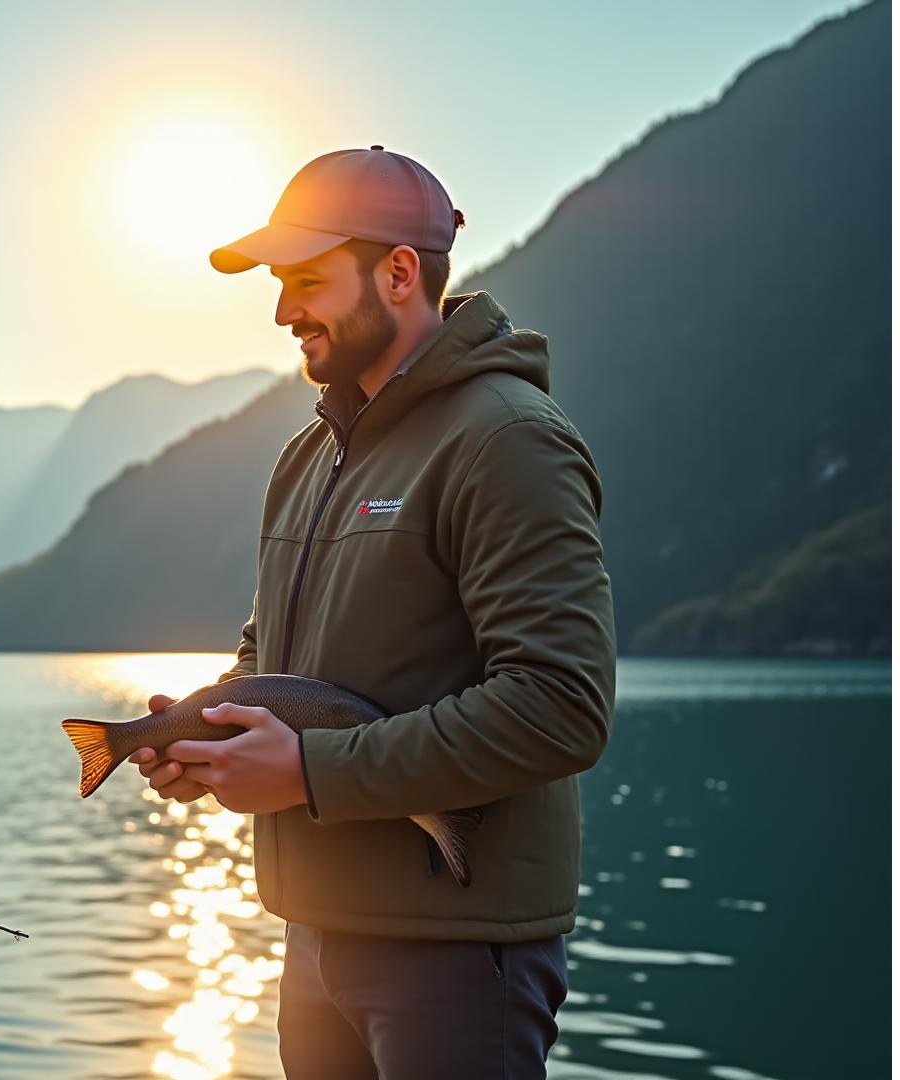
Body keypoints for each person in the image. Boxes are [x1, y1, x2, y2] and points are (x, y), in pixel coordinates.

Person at [130, 147, 615, 1077]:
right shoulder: (308, 456)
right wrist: (213, 738)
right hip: (313, 934)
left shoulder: (508, 439)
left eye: (307, 281)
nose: (282, 312)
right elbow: (269, 651)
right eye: (278, 286)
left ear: (398, 273)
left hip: (457, 952)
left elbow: (561, 706)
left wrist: (308, 771)